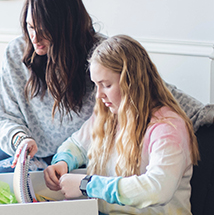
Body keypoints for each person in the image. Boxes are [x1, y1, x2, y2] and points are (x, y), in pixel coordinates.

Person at [0, 0, 214, 174]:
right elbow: (5, 115)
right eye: (29, 28)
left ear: (66, 28)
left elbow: (154, 88)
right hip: (26, 148)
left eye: (44, 30)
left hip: (73, 156)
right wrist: (20, 139)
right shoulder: (17, 53)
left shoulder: (99, 54)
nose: (35, 38)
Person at [45, 34, 196, 214]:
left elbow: (158, 188)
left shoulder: (167, 128)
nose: (99, 94)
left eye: (106, 85)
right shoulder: (108, 115)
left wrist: (88, 185)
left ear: (130, 83)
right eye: (96, 85)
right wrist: (63, 162)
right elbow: (77, 145)